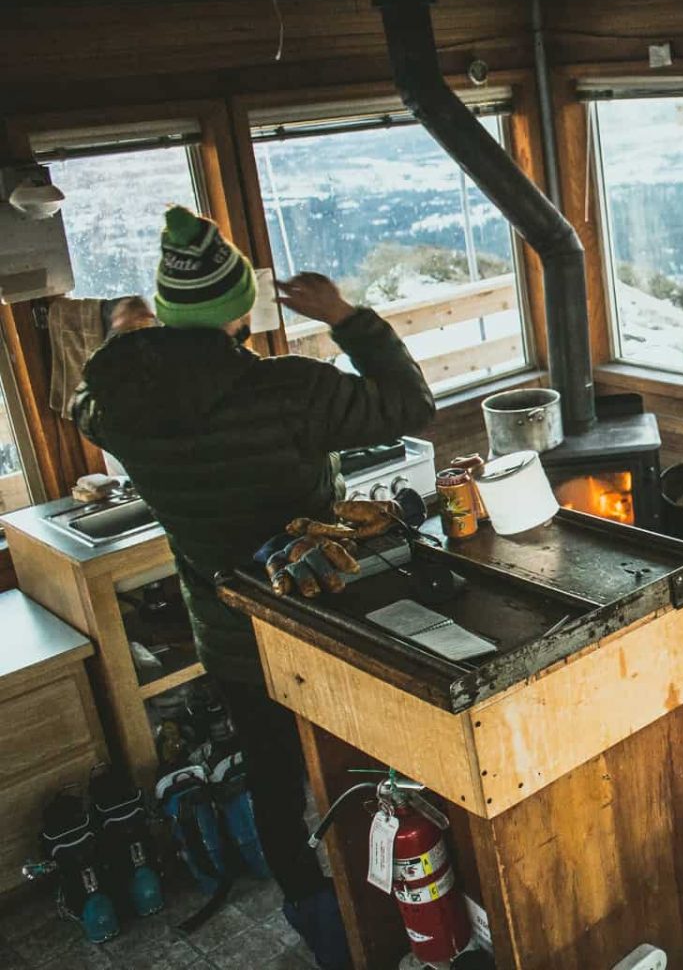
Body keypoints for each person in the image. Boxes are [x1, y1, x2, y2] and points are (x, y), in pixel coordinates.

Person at [73, 205, 436, 968]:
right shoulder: (288, 390)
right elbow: (411, 406)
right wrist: (345, 317)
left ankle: (328, 933)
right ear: (242, 308)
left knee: (274, 784)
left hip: (230, 634)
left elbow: (85, 399)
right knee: (368, 768)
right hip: (322, 620)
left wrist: (129, 338)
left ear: (167, 313)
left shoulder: (121, 407)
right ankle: (405, 910)